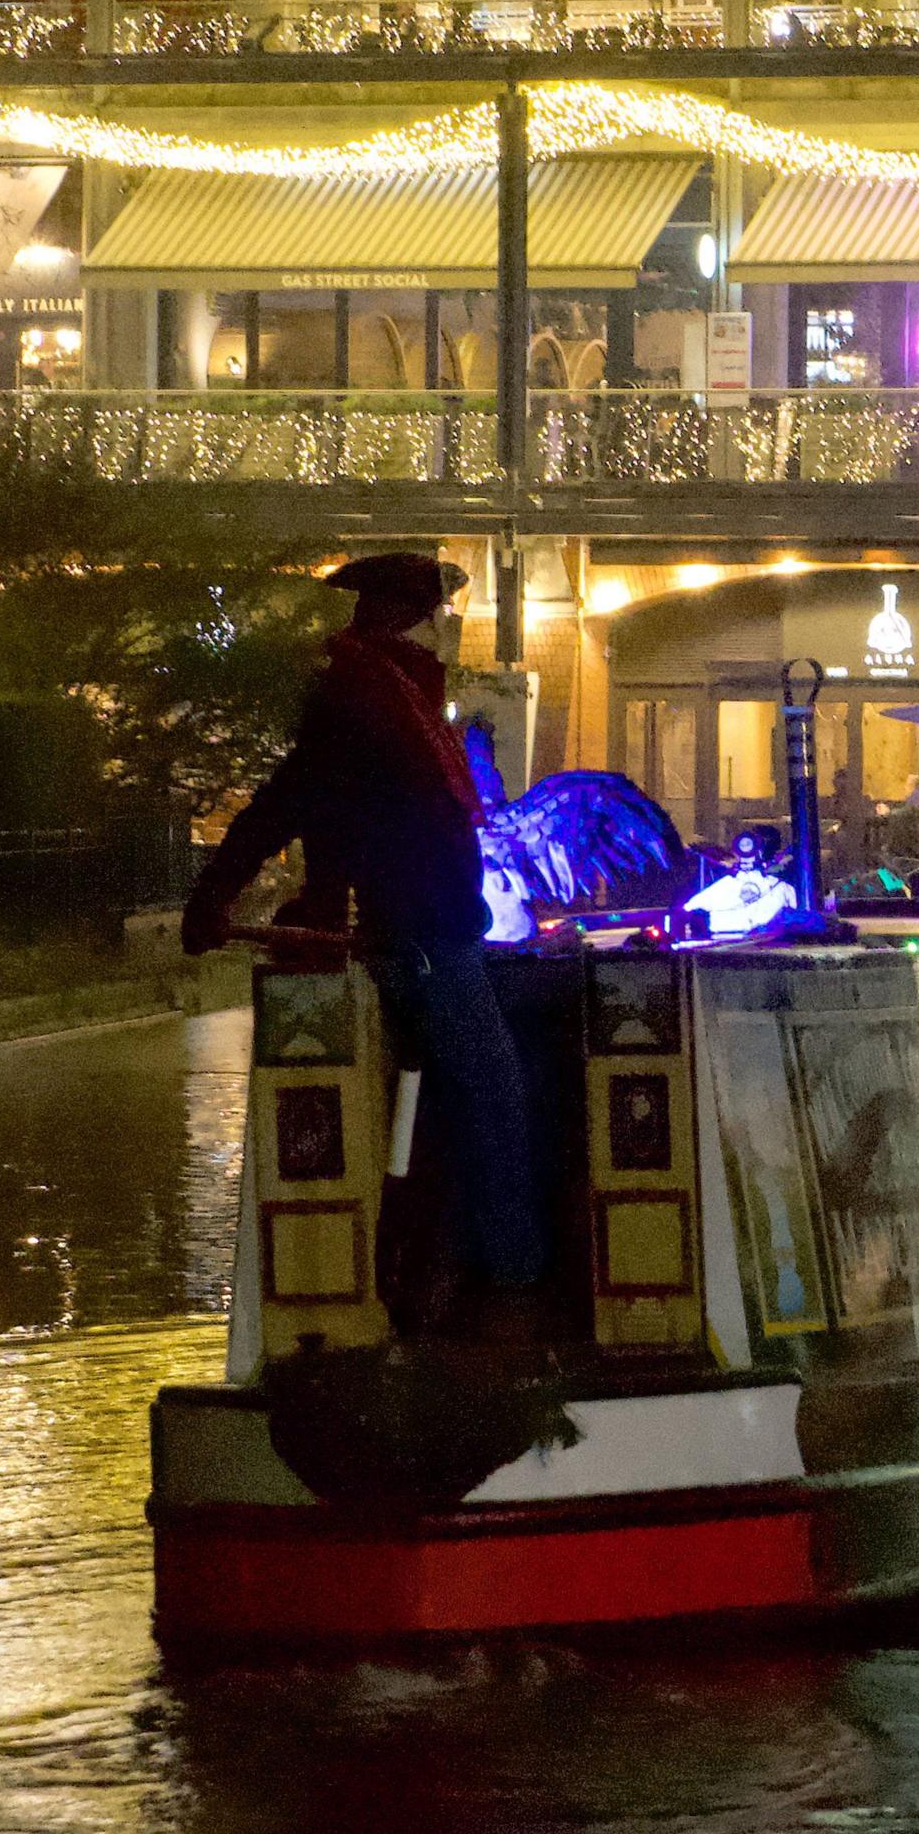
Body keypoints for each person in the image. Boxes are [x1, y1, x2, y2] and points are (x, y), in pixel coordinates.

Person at [183, 553, 549, 1308]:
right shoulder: (367, 700)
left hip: (434, 925)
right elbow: (288, 801)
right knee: (495, 1093)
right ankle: (512, 1284)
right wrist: (215, 894)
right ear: (410, 618)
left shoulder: (389, 693)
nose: (446, 630)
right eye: (439, 615)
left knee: (469, 1094)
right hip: (419, 936)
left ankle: (440, 1271)